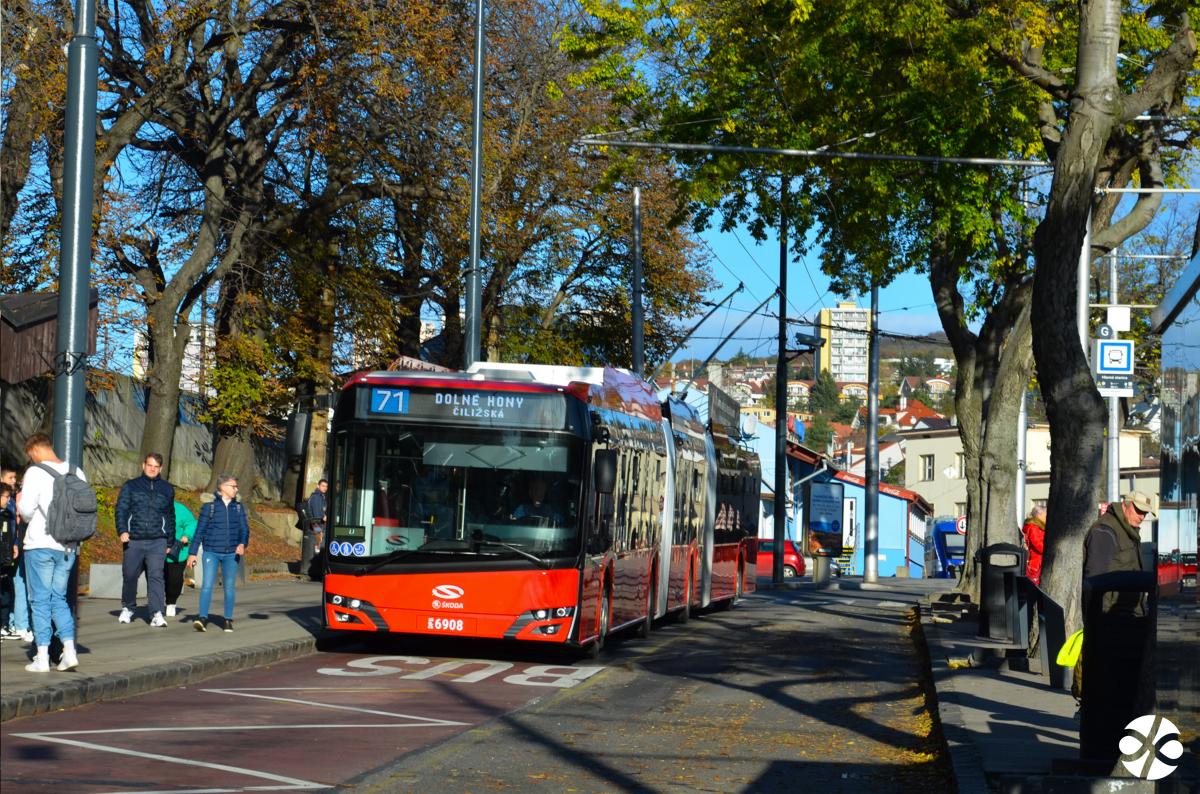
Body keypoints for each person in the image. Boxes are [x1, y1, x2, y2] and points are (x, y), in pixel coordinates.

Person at [16, 433, 83, 672]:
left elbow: (26, 512)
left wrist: (22, 498)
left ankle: (42, 656)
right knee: (59, 598)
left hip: (40, 544)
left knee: (40, 600)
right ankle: (69, 650)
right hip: (68, 546)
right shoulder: (76, 471)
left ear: (34, 451)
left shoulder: (34, 473)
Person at [114, 453, 175, 627]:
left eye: (156, 466)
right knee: (130, 574)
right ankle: (128, 607)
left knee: (156, 575)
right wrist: (123, 530)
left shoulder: (167, 489)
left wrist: (169, 541)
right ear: (143, 465)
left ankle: (156, 612)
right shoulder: (131, 486)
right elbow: (121, 510)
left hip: (158, 540)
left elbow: (170, 516)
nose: (152, 469)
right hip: (134, 539)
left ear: (161, 468)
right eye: (150, 465)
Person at [188, 474, 250, 632]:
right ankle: (202, 618)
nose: (236, 489)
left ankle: (228, 620)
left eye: (236, 486)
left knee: (229, 587)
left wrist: (243, 543)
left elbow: (244, 529)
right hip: (211, 552)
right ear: (222, 487)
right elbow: (199, 531)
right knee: (207, 585)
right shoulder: (209, 507)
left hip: (231, 554)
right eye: (233, 486)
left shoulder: (238, 507)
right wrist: (193, 553)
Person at [1083, 491, 1153, 616]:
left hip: (1130, 612)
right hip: (1112, 616)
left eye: (1145, 513)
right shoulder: (1105, 531)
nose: (1142, 517)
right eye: (1139, 511)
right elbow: (1094, 580)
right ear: (1125, 505)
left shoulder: (1128, 529)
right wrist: (1097, 622)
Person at [1, 468, 32, 642]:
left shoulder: (12, 499)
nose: (14, 480)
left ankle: (12, 623)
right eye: (10, 477)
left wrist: (13, 544)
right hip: (12, 547)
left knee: (12, 586)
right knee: (16, 586)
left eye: (15, 477)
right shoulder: (12, 500)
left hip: (13, 546)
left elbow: (13, 525)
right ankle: (18, 624)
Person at [164, 500, 196, 618]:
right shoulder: (152, 506)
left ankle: (171, 602)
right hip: (156, 550)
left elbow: (192, 523)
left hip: (177, 552)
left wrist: (186, 535)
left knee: (175, 580)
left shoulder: (180, 508)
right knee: (157, 579)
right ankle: (156, 604)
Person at [300, 479, 327, 577]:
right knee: (318, 544)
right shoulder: (316, 497)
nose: (325, 488)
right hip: (316, 524)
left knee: (318, 544)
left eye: (326, 486)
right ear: (318, 486)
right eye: (323, 486)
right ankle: (315, 569)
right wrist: (323, 518)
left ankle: (315, 568)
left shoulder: (321, 497)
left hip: (316, 524)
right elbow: (316, 513)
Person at [1021, 505, 1047, 586]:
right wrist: (1050, 549)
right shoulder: (1034, 527)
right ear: (1039, 514)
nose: (1047, 516)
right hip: (1035, 563)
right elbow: (1038, 545)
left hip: (1038, 562)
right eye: (1045, 514)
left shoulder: (1038, 526)